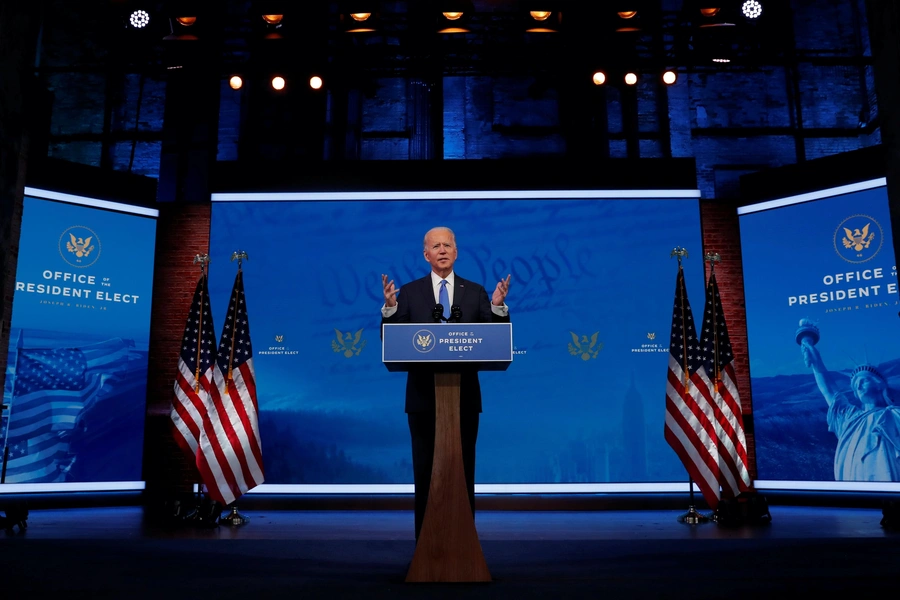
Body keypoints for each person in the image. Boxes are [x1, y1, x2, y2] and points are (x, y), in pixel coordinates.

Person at [381, 226, 511, 541]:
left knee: (463, 471)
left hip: (464, 398)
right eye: (435, 246)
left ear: (456, 252)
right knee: (425, 473)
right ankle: (426, 546)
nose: (442, 250)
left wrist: (496, 307)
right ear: (426, 255)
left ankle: (463, 543)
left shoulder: (476, 291)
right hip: (423, 400)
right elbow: (392, 341)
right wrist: (390, 310)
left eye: (447, 245)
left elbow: (494, 339)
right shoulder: (410, 293)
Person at [801, 340, 900, 481]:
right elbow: (829, 391)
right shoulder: (850, 418)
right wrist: (816, 362)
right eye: (855, 385)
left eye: (863, 381)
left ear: (880, 385)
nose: (858, 386)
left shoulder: (896, 415)